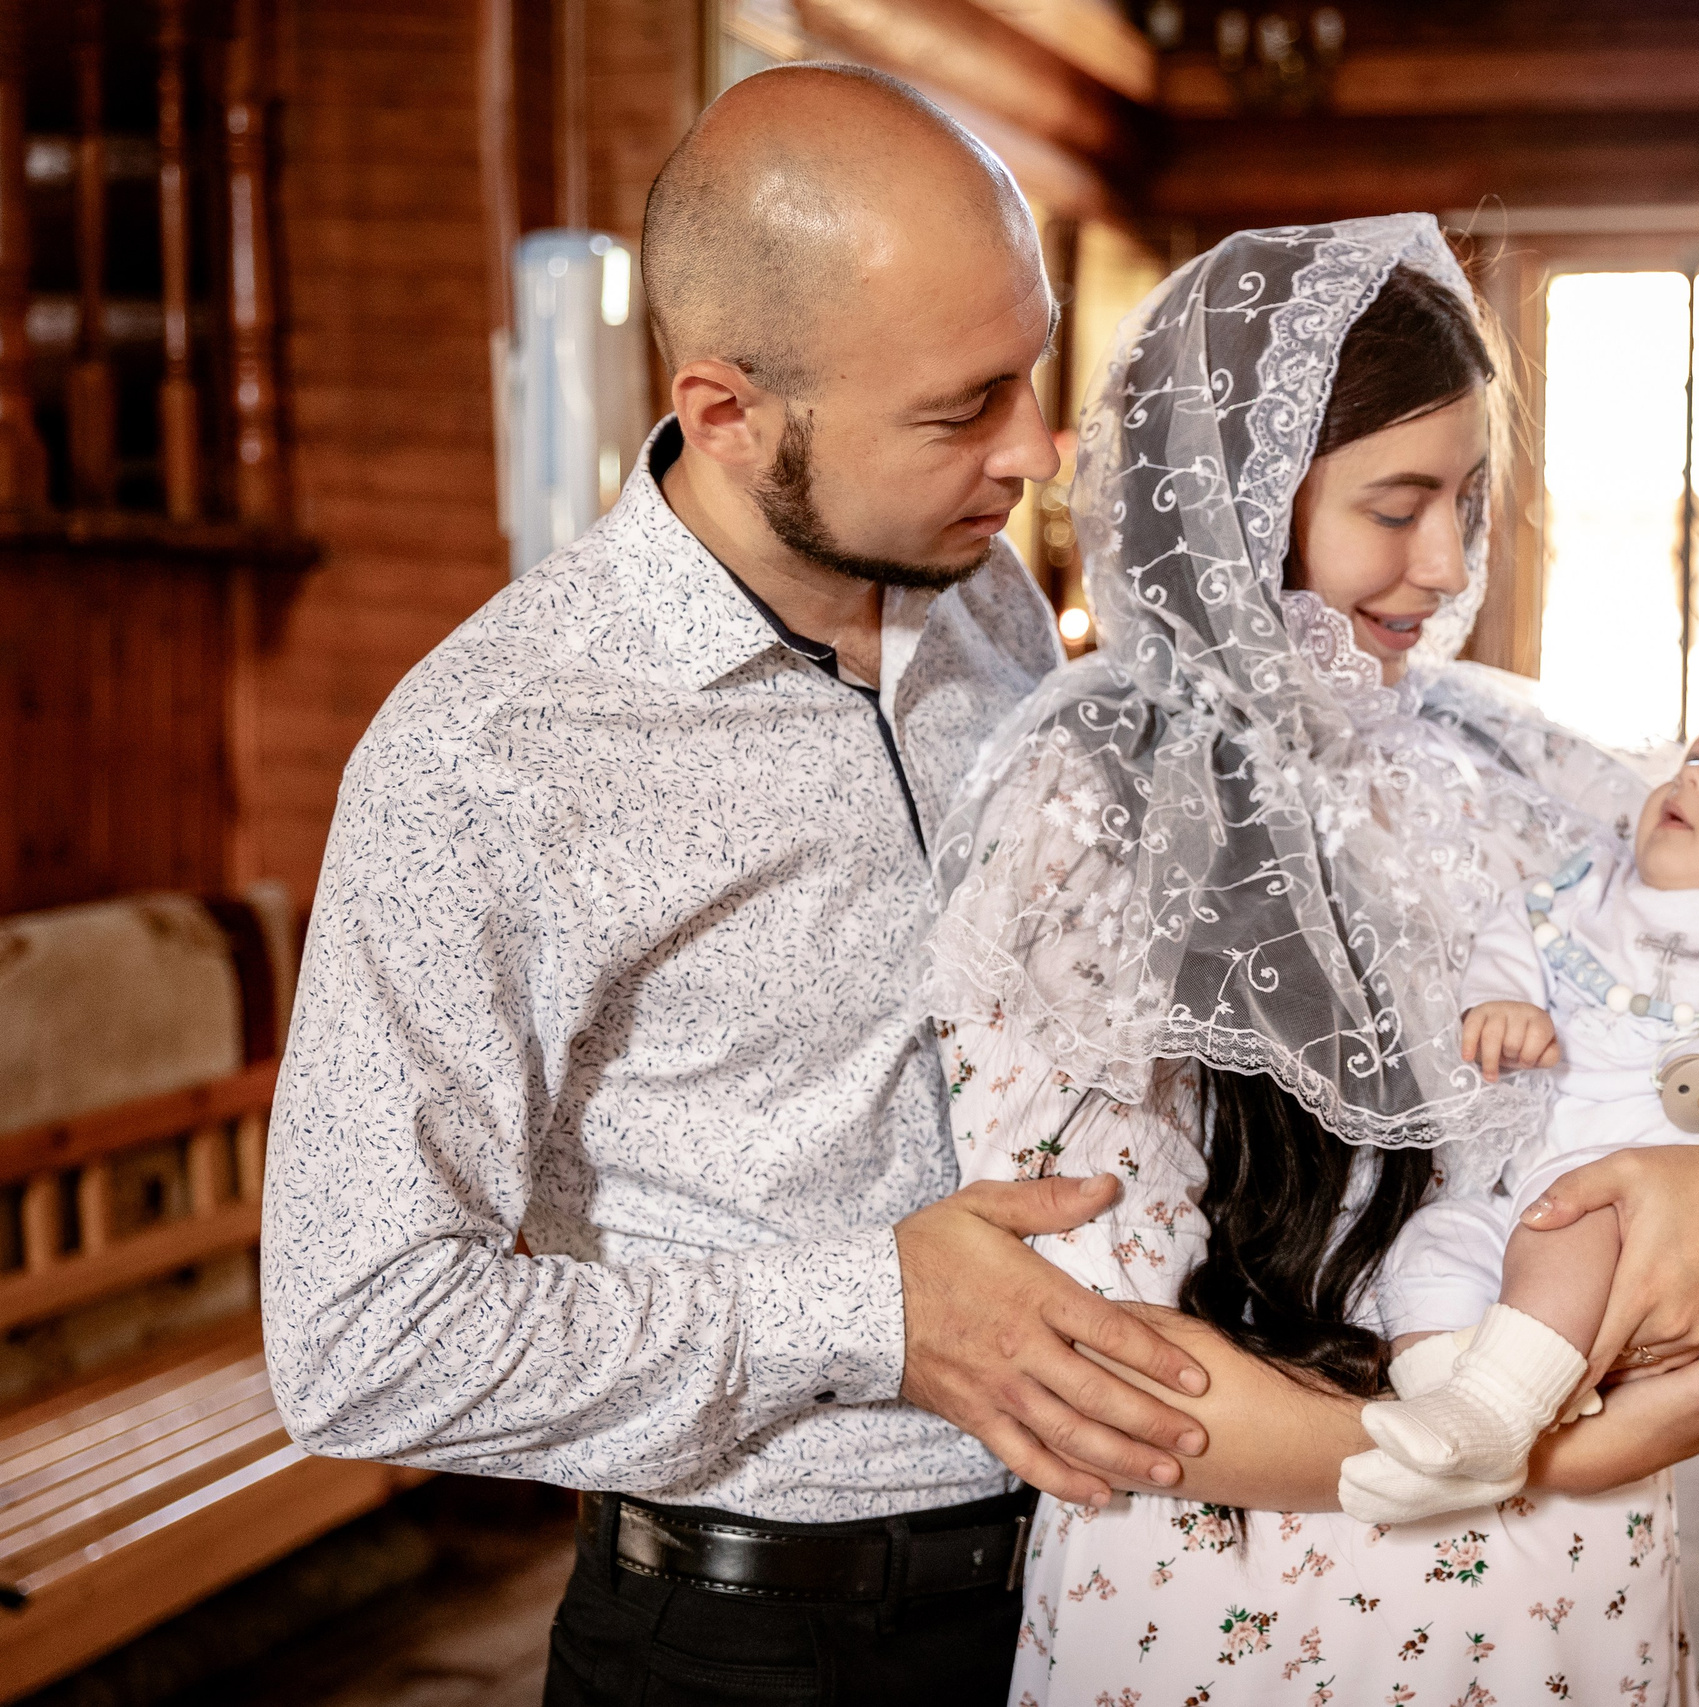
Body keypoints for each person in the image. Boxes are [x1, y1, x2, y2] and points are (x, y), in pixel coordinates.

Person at [260, 67, 1227, 1706]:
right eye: (961, 409)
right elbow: (361, 1343)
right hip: (753, 1637)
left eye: (1033, 372)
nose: (1033, 452)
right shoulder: (484, 755)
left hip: (1101, 1580)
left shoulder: (986, 595)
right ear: (726, 413)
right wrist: (872, 1309)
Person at [925, 218, 1699, 1700]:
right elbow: (1089, 1356)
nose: (1447, 565)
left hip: (1559, 1588)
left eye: (1467, 501)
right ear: (1237, 503)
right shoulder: (1088, 802)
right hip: (1263, 1593)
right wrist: (1539, 1444)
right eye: (1396, 507)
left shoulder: (1471, 738)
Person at [1344, 698, 1699, 1523]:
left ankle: (1495, 1410)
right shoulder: (1596, 881)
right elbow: (1517, 926)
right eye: (1698, 754)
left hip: (1653, 1218)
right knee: (1429, 1244)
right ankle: (1450, 1413)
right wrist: (1505, 998)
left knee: (1570, 1223)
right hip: (1524, 1188)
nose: (1697, 775)